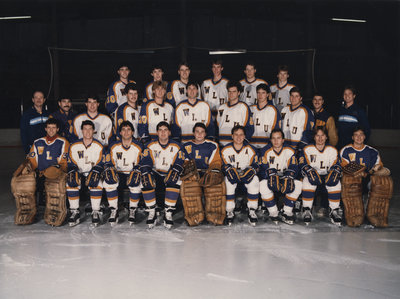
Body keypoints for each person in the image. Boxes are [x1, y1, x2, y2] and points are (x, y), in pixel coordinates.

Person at [339, 126, 391, 227]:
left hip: (367, 178)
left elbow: (378, 166)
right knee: (350, 181)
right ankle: (351, 213)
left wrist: (378, 168)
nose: (359, 137)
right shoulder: (346, 150)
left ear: (364, 137)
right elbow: (344, 167)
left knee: (381, 182)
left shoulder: (373, 151)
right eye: (356, 135)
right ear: (352, 137)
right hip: (352, 180)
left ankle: (374, 214)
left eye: (361, 135)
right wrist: (357, 173)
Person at [21, 118, 69, 226]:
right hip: (40, 173)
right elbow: (32, 160)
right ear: (45, 129)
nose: (51, 130)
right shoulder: (38, 142)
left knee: (54, 185)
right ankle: (29, 211)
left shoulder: (63, 142)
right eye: (49, 128)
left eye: (53, 128)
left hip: (56, 174)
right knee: (24, 182)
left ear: (57, 129)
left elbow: (64, 163)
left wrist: (56, 170)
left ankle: (56, 211)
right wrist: (28, 168)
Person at [139, 121, 186, 229]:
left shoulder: (177, 146)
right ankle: (152, 211)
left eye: (165, 130)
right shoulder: (150, 145)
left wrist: (175, 169)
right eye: (160, 130)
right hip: (156, 173)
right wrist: (147, 171)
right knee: (146, 178)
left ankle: (168, 213)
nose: (163, 132)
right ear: (157, 132)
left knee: (176, 178)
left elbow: (180, 161)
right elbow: (146, 160)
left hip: (169, 173)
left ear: (169, 132)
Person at [180, 123, 225, 225]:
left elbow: (216, 161)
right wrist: (188, 171)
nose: (199, 134)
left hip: (207, 172)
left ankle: (215, 216)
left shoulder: (213, 145)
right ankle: (194, 216)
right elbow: (184, 162)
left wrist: (214, 170)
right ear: (193, 133)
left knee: (215, 187)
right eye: (197, 131)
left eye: (202, 132)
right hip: (193, 174)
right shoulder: (186, 146)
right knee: (191, 189)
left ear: (205, 134)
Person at [299, 127, 343, 225]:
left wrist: (334, 171)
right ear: (314, 137)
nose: (320, 138)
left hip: (327, 176)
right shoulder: (307, 149)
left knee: (335, 182)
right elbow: (303, 164)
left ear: (326, 137)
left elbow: (336, 164)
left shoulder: (332, 149)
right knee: (307, 181)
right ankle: (307, 209)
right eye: (317, 136)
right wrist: (309, 171)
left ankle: (334, 210)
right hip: (312, 176)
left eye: (322, 135)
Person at [258, 128, 302, 225]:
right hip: (271, 178)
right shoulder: (264, 150)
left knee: (298, 184)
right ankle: (273, 212)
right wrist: (269, 175)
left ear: (283, 140)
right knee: (262, 184)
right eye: (273, 138)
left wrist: (289, 176)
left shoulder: (290, 150)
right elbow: (263, 169)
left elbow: (294, 167)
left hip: (285, 178)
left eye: (278, 138)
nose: (276, 141)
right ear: (270, 140)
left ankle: (287, 211)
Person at [103, 121, 143, 225]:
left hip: (132, 173)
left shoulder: (139, 145)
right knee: (109, 180)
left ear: (133, 132)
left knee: (137, 180)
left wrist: (137, 170)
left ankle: (133, 209)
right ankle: (114, 210)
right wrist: (110, 170)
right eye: (123, 130)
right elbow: (108, 162)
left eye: (129, 129)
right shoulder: (113, 146)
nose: (126, 132)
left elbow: (141, 162)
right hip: (118, 174)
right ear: (120, 132)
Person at [66, 120, 104, 227]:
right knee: (71, 181)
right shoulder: (74, 145)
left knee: (97, 181)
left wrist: (96, 170)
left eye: (90, 129)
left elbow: (101, 162)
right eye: (85, 129)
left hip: (92, 172)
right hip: (79, 172)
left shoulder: (99, 145)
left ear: (93, 131)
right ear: (81, 130)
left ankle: (95, 211)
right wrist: (73, 170)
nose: (87, 131)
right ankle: (75, 211)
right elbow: (71, 162)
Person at [221, 125, 260, 226]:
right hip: (233, 177)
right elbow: (223, 165)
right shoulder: (225, 149)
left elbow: (256, 164)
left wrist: (252, 170)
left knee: (255, 180)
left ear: (244, 136)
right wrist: (227, 169)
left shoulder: (251, 149)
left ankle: (252, 210)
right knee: (227, 180)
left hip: (246, 177)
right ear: (232, 136)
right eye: (236, 134)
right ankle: (229, 210)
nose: (239, 137)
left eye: (241, 135)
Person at [217, 81, 254, 146]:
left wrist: (243, 143)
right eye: (229, 91)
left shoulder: (243, 107)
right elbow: (217, 127)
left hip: (237, 145)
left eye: (234, 92)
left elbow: (250, 127)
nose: (231, 94)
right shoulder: (221, 108)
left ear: (239, 93)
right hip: (222, 144)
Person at [337, 85, 370, 149]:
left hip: (354, 146)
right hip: (341, 145)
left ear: (354, 96)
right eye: (345, 94)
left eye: (349, 93)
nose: (347, 96)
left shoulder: (359, 110)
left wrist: (361, 145)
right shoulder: (340, 110)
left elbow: (367, 130)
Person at [249, 84, 281, 149]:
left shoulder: (273, 110)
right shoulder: (251, 108)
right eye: (258, 93)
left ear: (267, 95)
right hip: (251, 145)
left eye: (263, 93)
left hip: (267, 146)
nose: (260, 95)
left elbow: (276, 130)